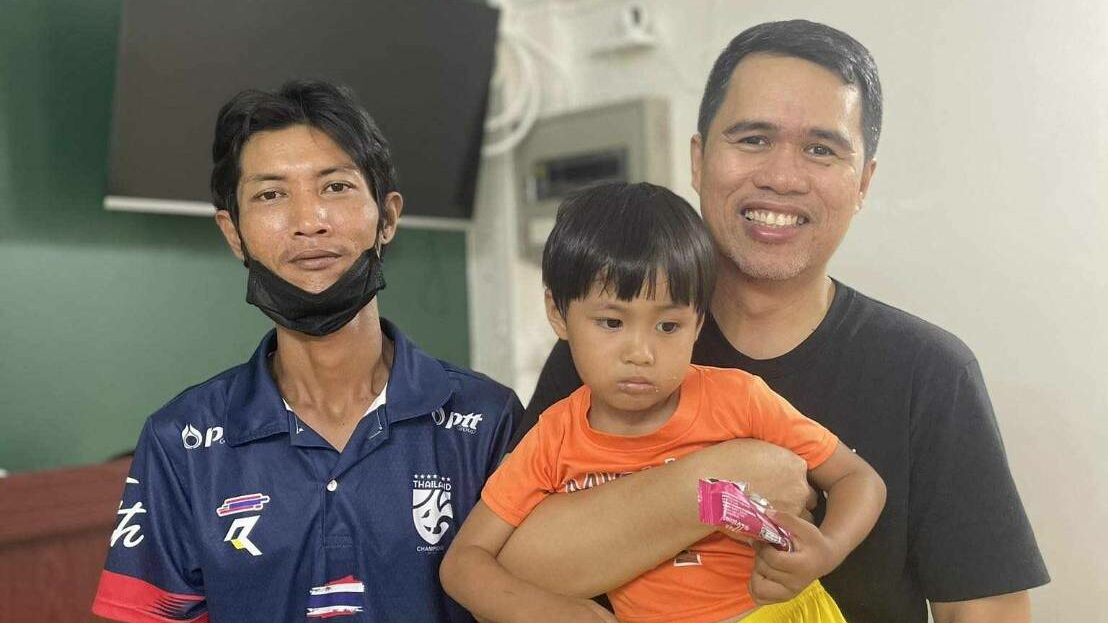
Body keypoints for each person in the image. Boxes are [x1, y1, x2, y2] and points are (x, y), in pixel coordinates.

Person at [496, 20, 1049, 623]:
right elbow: (510, 565)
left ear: (863, 182)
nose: (782, 177)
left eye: (821, 149)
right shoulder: (611, 348)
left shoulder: (928, 373)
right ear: (699, 159)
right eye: (754, 138)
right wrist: (716, 484)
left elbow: (987, 612)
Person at [92, 80, 521, 622]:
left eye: (336, 187)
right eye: (271, 194)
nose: (308, 221)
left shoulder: (488, 420)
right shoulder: (181, 441)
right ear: (234, 233)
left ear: (387, 217)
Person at [440, 182, 886, 623]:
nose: (641, 352)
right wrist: (551, 610)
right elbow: (464, 563)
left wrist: (826, 550)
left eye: (668, 327)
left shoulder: (739, 400)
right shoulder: (553, 438)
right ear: (558, 313)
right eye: (612, 322)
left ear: (698, 325)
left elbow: (857, 478)